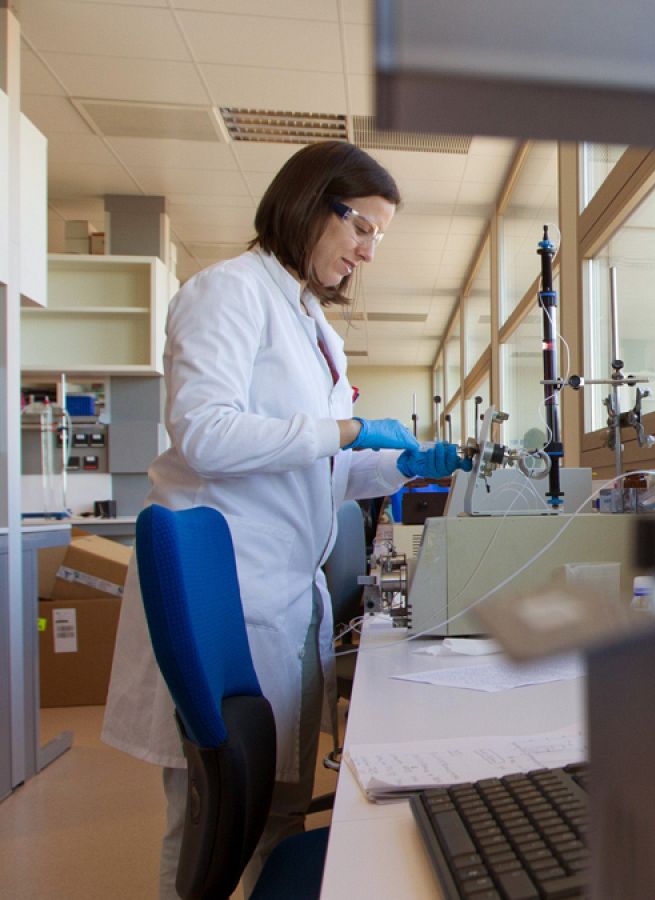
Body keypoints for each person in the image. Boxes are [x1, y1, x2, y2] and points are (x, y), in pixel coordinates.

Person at [100, 140, 470, 899]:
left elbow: (319, 469)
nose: (368, 252)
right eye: (361, 227)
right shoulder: (227, 293)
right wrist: (347, 431)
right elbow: (205, 431)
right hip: (226, 598)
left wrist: (402, 464)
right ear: (311, 203)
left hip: (282, 602)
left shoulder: (315, 328)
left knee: (275, 816)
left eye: (378, 236)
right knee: (209, 824)